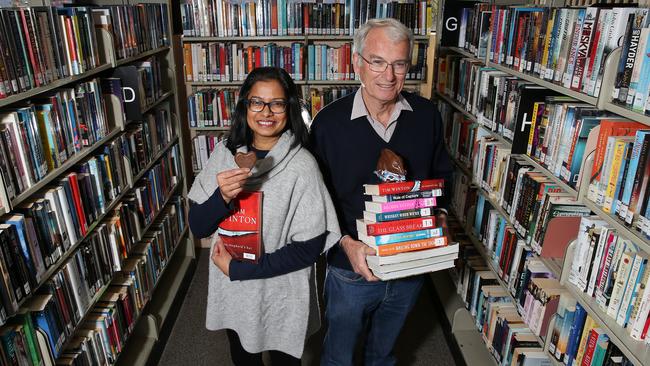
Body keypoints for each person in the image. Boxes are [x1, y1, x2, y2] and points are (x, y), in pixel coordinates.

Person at [310, 19, 454, 365]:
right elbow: (315, 201)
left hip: (410, 265)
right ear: (357, 62)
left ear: (408, 66)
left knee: (384, 353)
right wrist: (345, 243)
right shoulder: (328, 124)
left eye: (399, 64)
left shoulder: (427, 116)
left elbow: (442, 176)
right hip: (351, 269)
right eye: (377, 61)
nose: (388, 75)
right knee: (339, 355)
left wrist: (442, 218)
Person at [187, 67, 340, 365]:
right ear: (245, 106)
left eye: (277, 103)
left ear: (289, 108)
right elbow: (198, 225)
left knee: (285, 361)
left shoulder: (303, 166)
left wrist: (241, 270)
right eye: (257, 102)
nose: (266, 112)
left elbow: (308, 249)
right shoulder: (223, 154)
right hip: (235, 293)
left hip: (281, 293)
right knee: (243, 358)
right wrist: (223, 197)